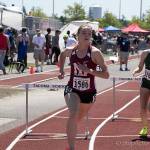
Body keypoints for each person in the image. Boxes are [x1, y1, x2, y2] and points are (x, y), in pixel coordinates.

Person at [58, 24, 109, 150]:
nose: (87, 36)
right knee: (73, 113)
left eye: (89, 34)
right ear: (77, 36)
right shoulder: (71, 50)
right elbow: (63, 55)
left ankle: (71, 131)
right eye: (84, 33)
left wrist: (89, 70)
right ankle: (71, 147)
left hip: (89, 92)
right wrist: (61, 71)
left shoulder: (95, 53)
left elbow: (106, 75)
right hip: (72, 88)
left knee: (77, 118)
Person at [133, 49, 150, 137]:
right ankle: (145, 128)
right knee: (142, 108)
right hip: (146, 83)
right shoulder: (145, 53)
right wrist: (135, 71)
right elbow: (140, 67)